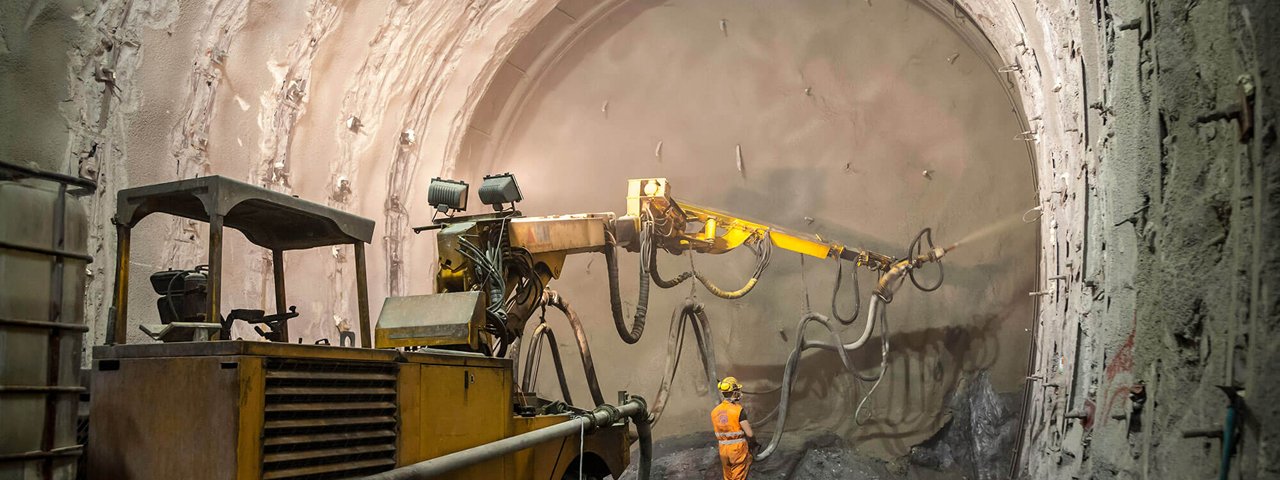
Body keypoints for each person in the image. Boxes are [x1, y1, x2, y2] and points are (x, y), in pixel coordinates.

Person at [711, 376, 755, 480]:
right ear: (734, 392)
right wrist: (754, 442)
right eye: (737, 390)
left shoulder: (714, 412)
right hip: (737, 450)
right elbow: (750, 434)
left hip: (723, 450)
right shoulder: (738, 410)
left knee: (728, 477)